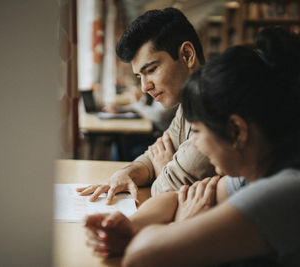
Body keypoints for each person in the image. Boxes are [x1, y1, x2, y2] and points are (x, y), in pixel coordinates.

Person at [84, 27, 300, 266]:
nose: (193, 143)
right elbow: (174, 199)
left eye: (197, 132)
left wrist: (182, 223)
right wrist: (130, 227)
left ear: (237, 131)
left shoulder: (285, 191)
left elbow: (140, 256)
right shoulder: (250, 175)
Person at [77, 7, 215, 204]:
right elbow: (153, 156)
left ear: (187, 54)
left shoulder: (213, 108)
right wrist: (125, 174)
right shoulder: (189, 100)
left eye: (151, 70)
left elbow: (166, 191)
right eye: (139, 76)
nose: (144, 87)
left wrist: (163, 168)